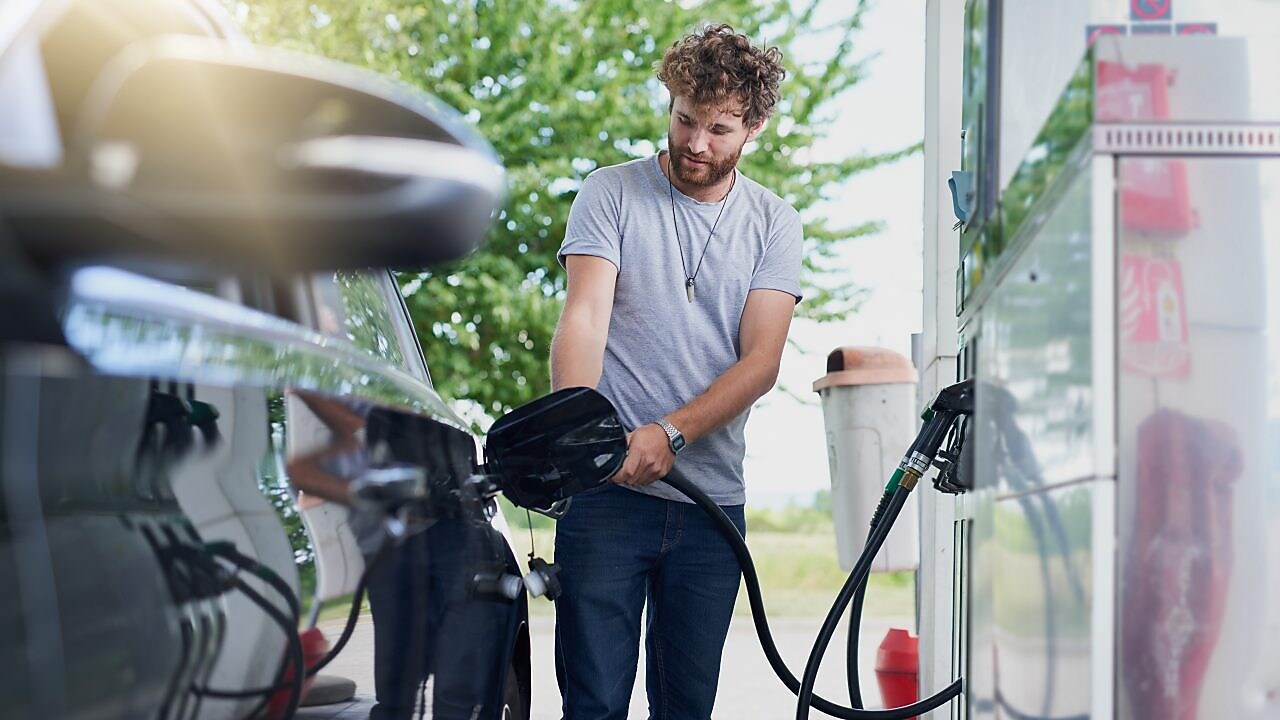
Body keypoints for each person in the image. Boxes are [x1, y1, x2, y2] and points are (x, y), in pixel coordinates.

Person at [549, 23, 802, 720]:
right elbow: (584, 319)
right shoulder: (610, 193)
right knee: (593, 703)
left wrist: (669, 434)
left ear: (755, 126)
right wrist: (585, 439)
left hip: (711, 508)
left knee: (686, 709)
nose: (695, 143)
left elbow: (761, 361)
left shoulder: (775, 224)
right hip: (604, 499)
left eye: (719, 129)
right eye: (685, 119)